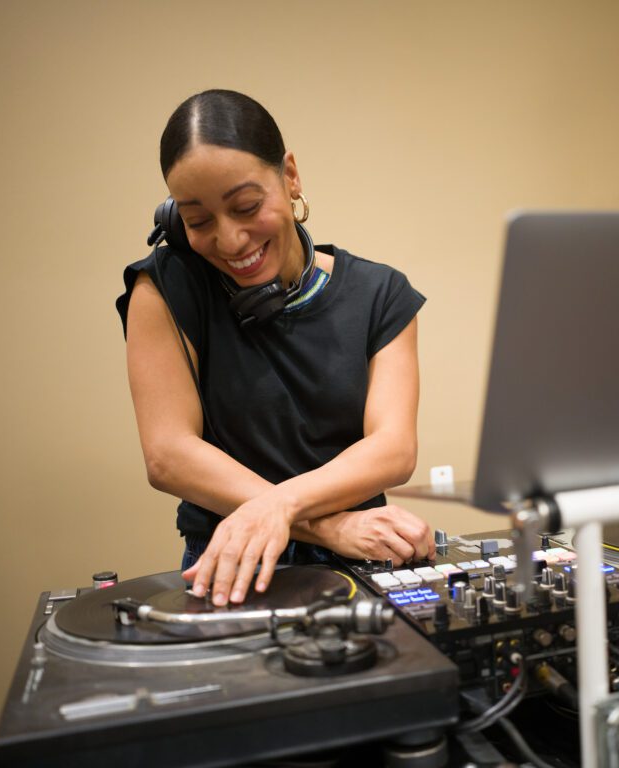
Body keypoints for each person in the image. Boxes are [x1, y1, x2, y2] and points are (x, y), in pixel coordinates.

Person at [116, 89, 434, 606]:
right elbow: (169, 456)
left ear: (290, 176)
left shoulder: (382, 294)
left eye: (246, 206)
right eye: (198, 221)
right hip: (233, 557)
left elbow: (393, 449)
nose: (231, 240)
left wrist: (281, 508)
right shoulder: (163, 290)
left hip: (368, 551)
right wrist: (328, 528)